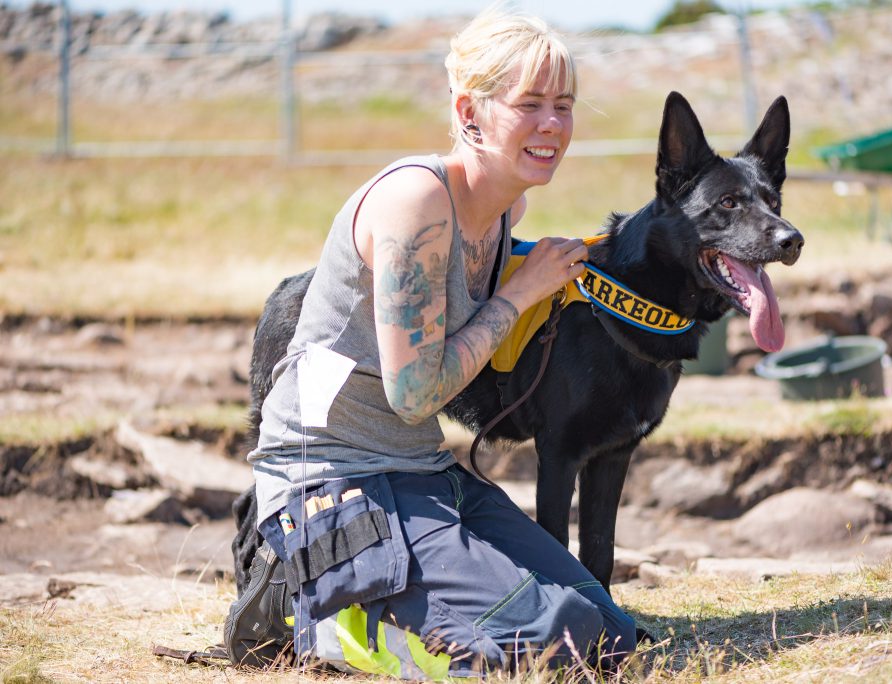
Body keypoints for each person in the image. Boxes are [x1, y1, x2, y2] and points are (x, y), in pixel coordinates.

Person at [241, 7, 637, 678]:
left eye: (564, 106)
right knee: (552, 639)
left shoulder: (511, 208)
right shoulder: (414, 202)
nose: (553, 125)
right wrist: (521, 293)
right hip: (333, 483)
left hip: (423, 473)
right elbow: (414, 391)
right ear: (469, 110)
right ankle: (325, 619)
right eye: (530, 104)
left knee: (607, 630)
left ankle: (382, 603)